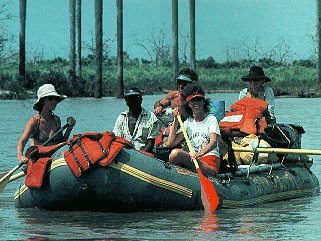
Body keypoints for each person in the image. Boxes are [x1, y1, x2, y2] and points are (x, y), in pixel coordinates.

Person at [166, 83, 221, 177]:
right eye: (192, 101)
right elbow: (170, 143)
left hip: (209, 161)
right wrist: (175, 119)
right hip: (194, 161)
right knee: (174, 154)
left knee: (176, 153)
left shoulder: (211, 119)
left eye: (199, 100)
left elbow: (213, 142)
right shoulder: (188, 122)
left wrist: (199, 154)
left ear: (204, 102)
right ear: (188, 104)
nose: (196, 103)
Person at [17, 84, 76, 163]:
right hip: (39, 160)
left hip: (55, 159)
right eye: (50, 98)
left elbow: (62, 142)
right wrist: (20, 156)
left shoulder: (56, 120)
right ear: (42, 101)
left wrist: (69, 128)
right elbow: (22, 141)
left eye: (56, 99)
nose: (54, 101)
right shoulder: (34, 121)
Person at [113, 87, 159, 154]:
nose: (132, 101)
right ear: (126, 101)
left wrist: (138, 156)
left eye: (135, 97)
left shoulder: (151, 117)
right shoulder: (121, 117)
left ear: (140, 99)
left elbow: (150, 145)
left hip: (145, 155)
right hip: (125, 155)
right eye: (129, 98)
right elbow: (116, 139)